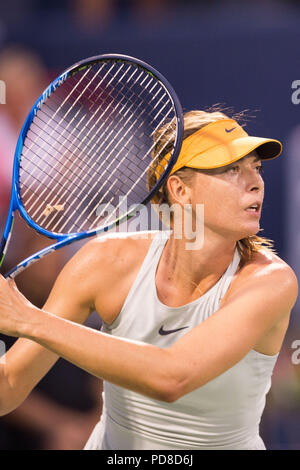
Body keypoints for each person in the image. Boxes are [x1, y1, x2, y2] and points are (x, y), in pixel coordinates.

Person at [0, 109, 297, 450]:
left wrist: (27, 319)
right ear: (180, 190)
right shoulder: (105, 262)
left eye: (255, 168)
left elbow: (172, 377)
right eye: (232, 169)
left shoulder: (270, 281)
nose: (256, 181)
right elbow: (8, 385)